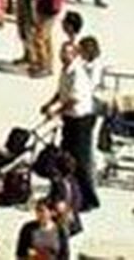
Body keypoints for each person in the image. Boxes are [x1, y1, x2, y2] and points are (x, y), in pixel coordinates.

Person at [39, 36, 102, 212]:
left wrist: (56, 111)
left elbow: (74, 99)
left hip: (81, 120)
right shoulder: (66, 70)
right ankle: (62, 194)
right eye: (62, 52)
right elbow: (61, 92)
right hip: (70, 118)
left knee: (80, 161)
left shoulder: (77, 73)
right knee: (63, 159)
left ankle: (88, 199)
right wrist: (49, 104)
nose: (63, 55)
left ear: (74, 55)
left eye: (67, 52)